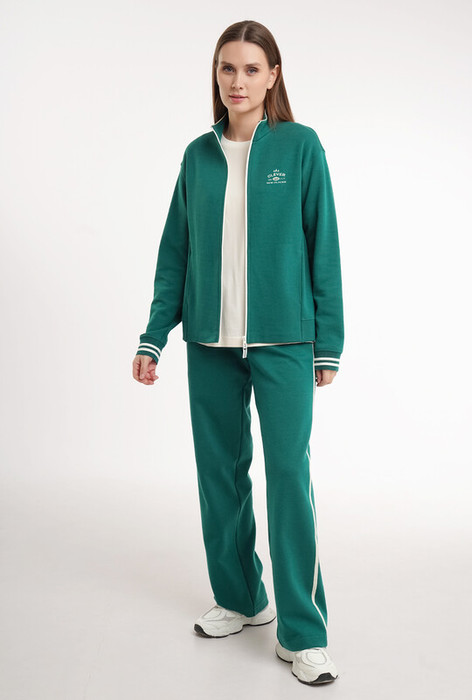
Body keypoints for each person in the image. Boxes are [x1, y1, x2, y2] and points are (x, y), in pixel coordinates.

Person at [132, 19, 344, 686]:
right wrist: (154, 333)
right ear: (216, 75)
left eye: (252, 68)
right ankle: (242, 597)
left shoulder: (300, 146)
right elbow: (175, 251)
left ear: (273, 75)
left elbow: (324, 245)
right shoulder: (198, 155)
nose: (238, 81)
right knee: (220, 477)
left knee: (287, 478)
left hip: (286, 341)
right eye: (228, 68)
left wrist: (328, 342)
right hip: (209, 341)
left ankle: (303, 631)